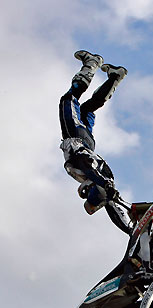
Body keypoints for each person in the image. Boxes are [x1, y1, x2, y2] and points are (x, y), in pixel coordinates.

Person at [59, 50, 131, 235]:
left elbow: (113, 209)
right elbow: (86, 162)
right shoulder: (93, 174)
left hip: (87, 142)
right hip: (76, 137)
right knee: (69, 99)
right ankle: (92, 63)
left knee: (88, 108)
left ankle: (115, 77)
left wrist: (129, 229)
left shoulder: (105, 184)